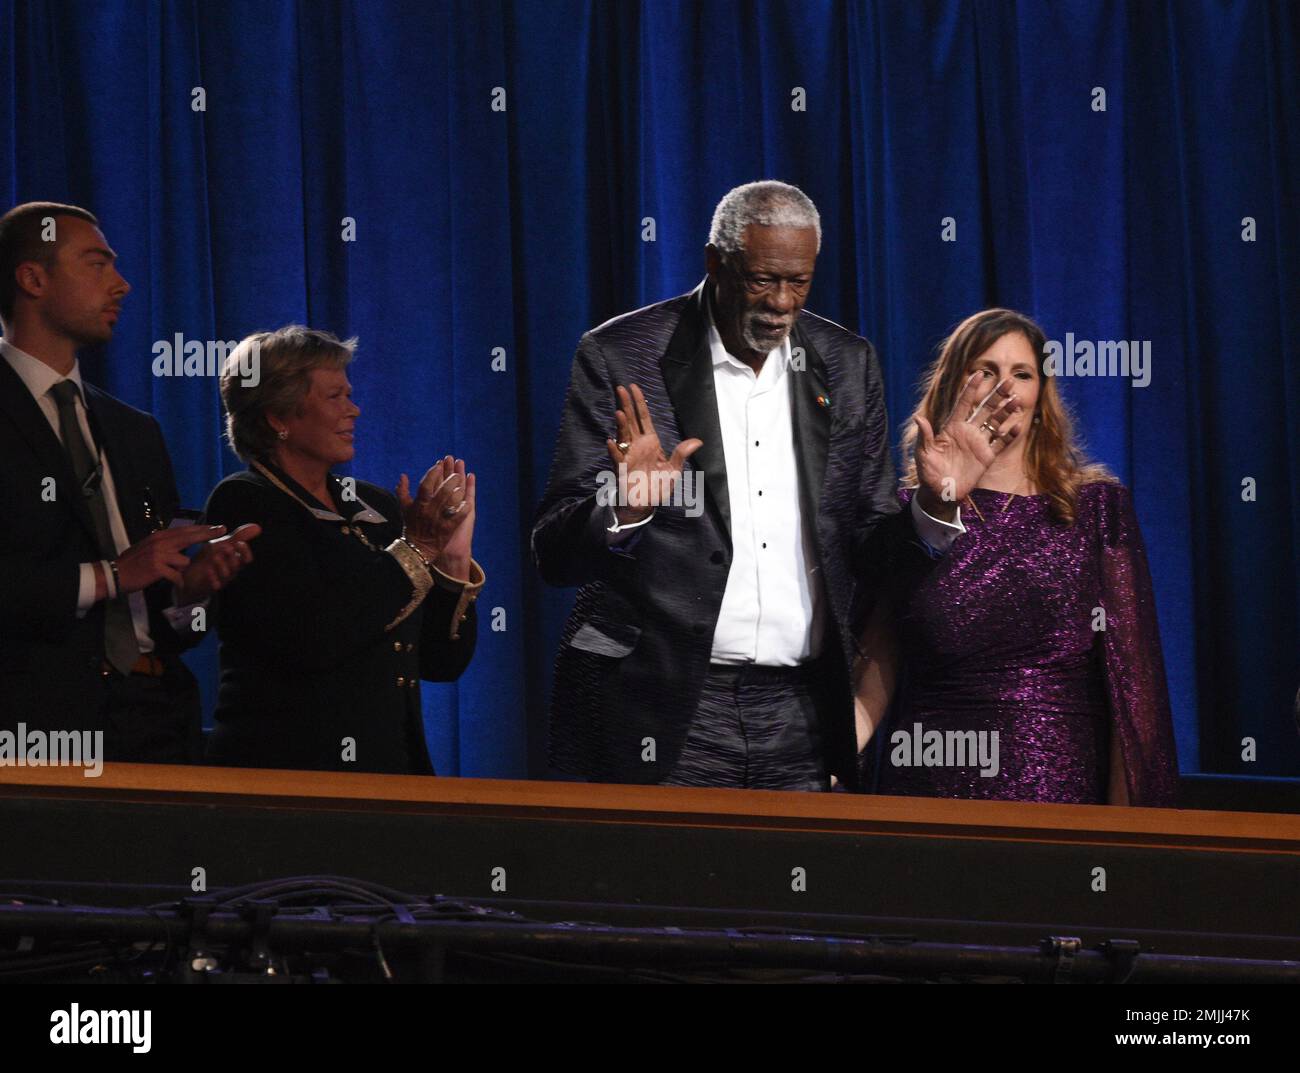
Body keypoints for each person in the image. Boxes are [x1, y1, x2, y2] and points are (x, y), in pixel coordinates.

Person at [532, 181, 974, 790]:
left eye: (799, 282)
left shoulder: (846, 363)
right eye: (763, 280)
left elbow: (869, 544)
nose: (781, 304)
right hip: (662, 704)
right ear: (716, 262)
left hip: (802, 713)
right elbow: (553, 551)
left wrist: (931, 506)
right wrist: (624, 509)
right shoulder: (620, 356)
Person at [852, 308, 1179, 806]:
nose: (1005, 388)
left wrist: (1129, 837)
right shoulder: (910, 517)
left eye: (1022, 374)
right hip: (929, 790)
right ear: (954, 387)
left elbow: (1132, 686)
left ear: (1041, 398)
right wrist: (819, 766)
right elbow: (878, 661)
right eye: (985, 370)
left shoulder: (1095, 509)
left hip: (1057, 797)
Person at [0, 201, 258, 764]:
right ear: (32, 278)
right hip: (34, 732)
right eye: (97, 264)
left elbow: (165, 613)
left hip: (156, 720)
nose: (122, 284)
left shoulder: (134, 430)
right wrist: (113, 575)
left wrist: (190, 591)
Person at [202, 325, 484, 774]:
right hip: (289, 777)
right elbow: (314, 639)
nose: (354, 410)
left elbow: (439, 662)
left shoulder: (378, 507)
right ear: (279, 415)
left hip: (393, 771)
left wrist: (449, 561)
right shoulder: (245, 502)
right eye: (335, 396)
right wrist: (417, 547)